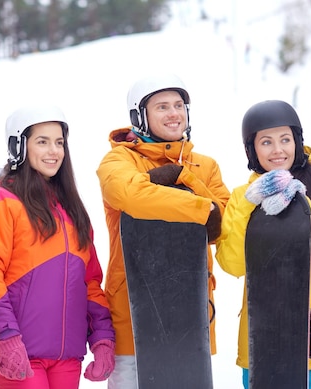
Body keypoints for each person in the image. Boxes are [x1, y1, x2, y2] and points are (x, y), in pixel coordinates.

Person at [0, 104, 115, 388]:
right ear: (18, 146)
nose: (54, 151)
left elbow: (91, 281)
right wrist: (5, 336)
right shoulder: (0, 200)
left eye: (59, 143)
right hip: (19, 352)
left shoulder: (72, 210)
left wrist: (102, 337)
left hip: (67, 357)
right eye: (42, 142)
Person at [96, 73, 230, 389]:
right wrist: (200, 207)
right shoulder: (118, 161)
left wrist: (185, 178)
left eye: (179, 105)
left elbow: (221, 222)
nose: (174, 113)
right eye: (162, 107)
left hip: (190, 315)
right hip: (133, 317)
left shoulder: (205, 166)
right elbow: (130, 196)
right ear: (139, 116)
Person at [215, 99, 311, 388]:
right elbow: (232, 264)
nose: (277, 150)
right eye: (266, 142)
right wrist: (249, 205)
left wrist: (304, 211)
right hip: (261, 343)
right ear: (252, 149)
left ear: (297, 142)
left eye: (285, 140)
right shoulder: (242, 197)